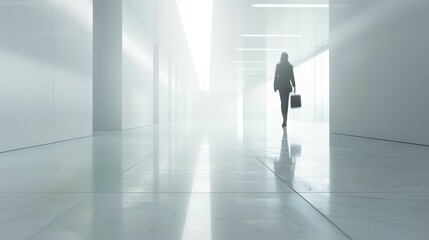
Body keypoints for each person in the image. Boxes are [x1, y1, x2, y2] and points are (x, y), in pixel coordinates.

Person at [274, 52, 296, 128]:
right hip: (287, 86)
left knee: (282, 102)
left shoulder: (278, 66)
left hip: (281, 86)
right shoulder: (289, 66)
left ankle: (284, 119)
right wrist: (294, 85)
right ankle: (285, 119)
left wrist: (275, 86)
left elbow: (276, 76)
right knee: (285, 103)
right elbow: (292, 76)